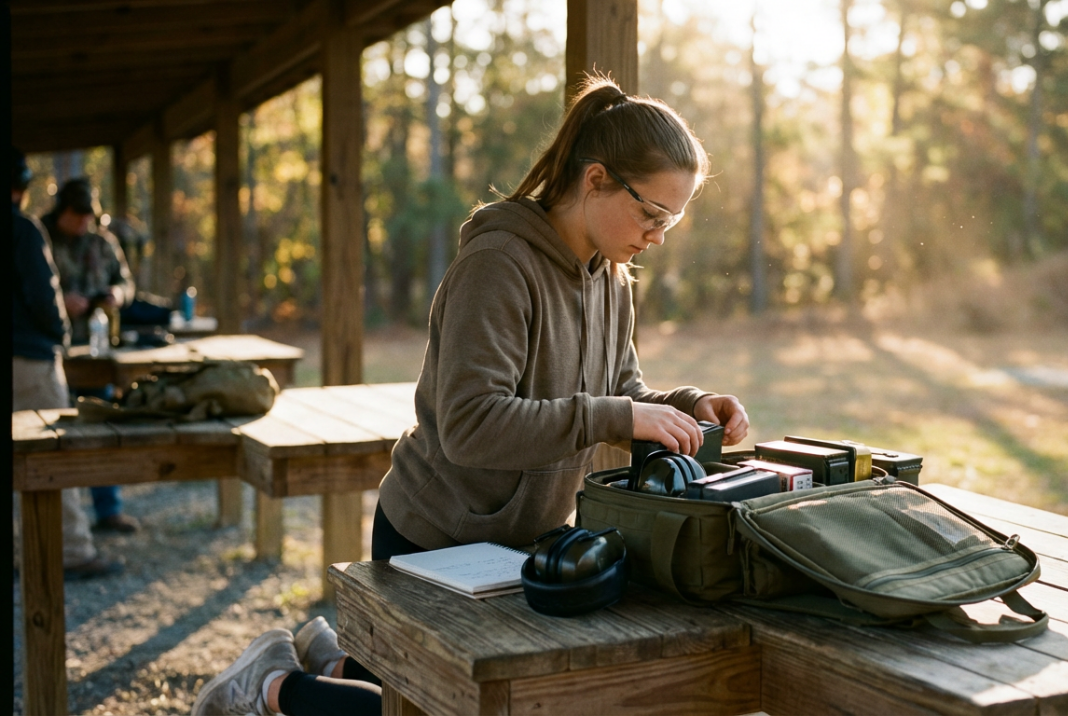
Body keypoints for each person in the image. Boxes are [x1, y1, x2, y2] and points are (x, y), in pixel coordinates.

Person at [193, 76, 750, 716]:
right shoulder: (499, 264)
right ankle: (269, 686)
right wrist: (617, 414)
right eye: (652, 214)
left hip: (519, 544)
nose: (658, 236)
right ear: (595, 179)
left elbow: (618, 391)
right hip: (435, 539)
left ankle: (336, 661)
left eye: (671, 220)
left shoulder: (611, 278)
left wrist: (686, 405)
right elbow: (470, 424)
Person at [11, 147, 123, 580]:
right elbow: (44, 298)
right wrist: (59, 332)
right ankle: (72, 551)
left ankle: (24, 551)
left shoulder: (101, 243)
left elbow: (122, 281)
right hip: (31, 363)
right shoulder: (24, 230)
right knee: (57, 453)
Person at [42, 177, 141, 534]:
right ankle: (61, 521)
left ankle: (107, 510)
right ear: (62, 210)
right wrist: (61, 303)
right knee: (51, 435)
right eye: (77, 214)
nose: (84, 221)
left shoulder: (103, 243)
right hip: (53, 352)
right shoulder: (40, 239)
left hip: (97, 353)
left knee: (100, 425)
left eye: (89, 215)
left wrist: (117, 293)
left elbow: (127, 283)